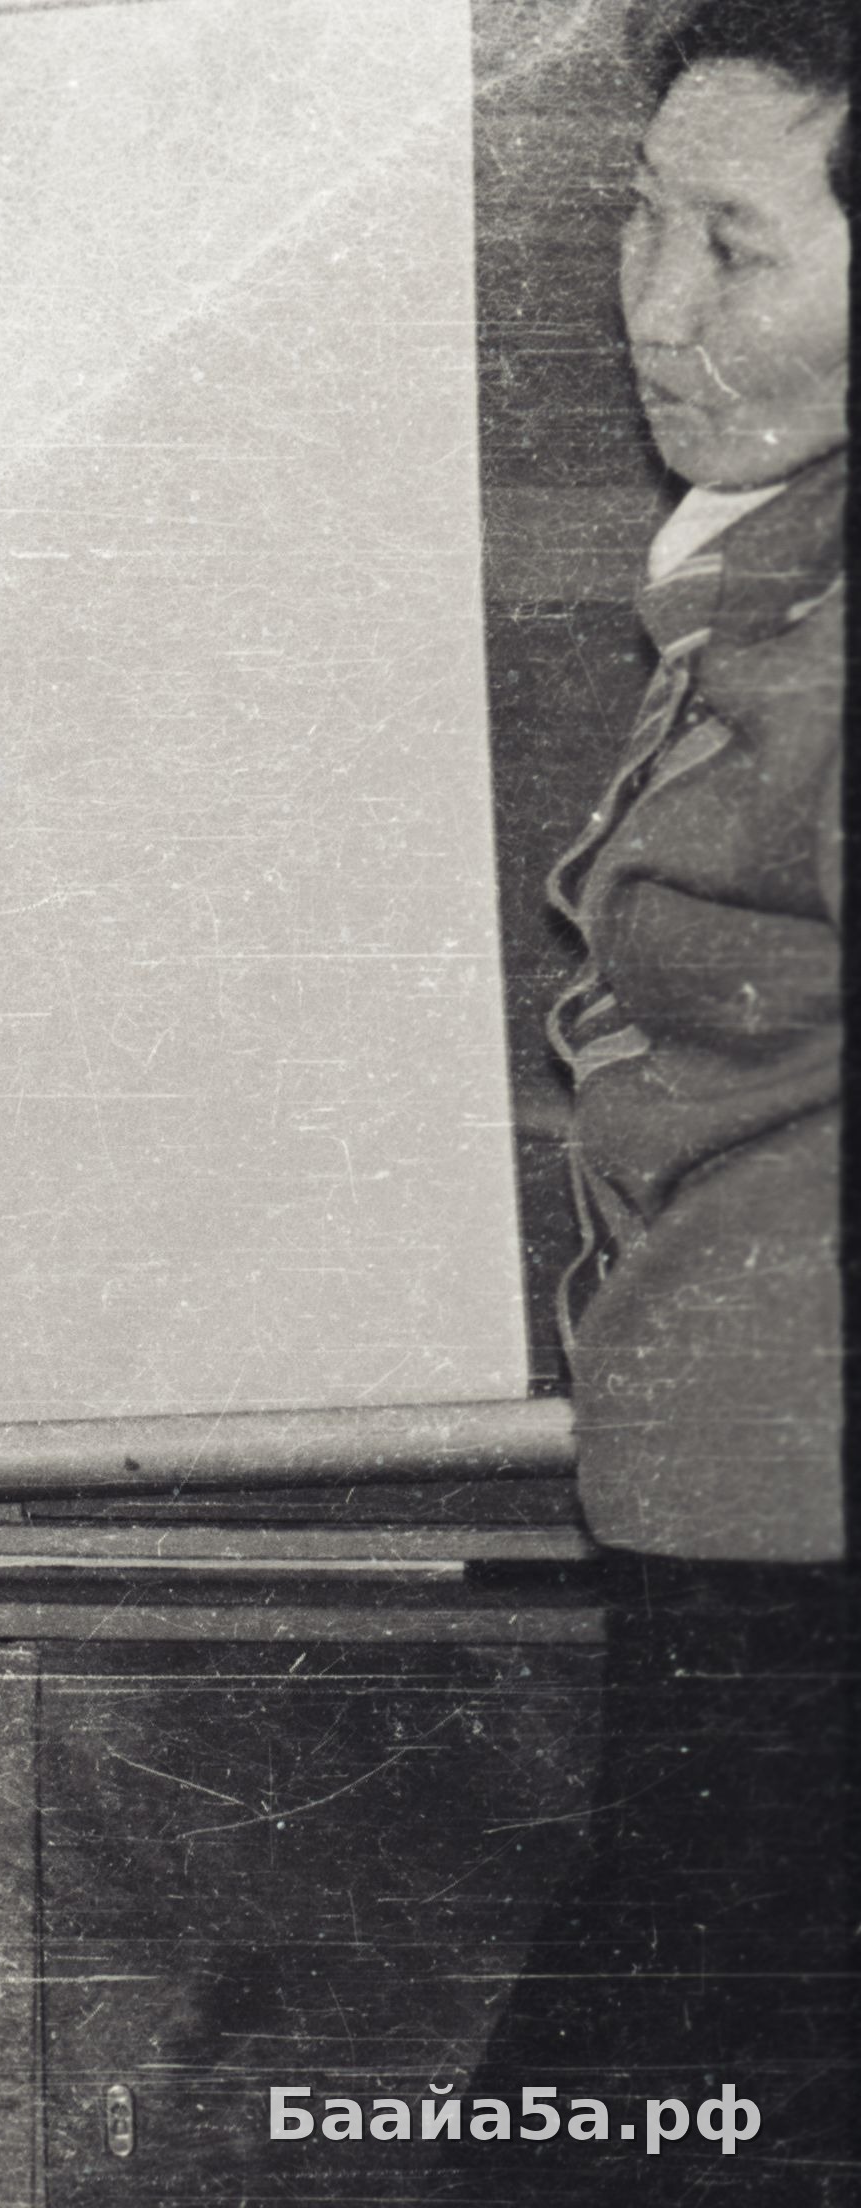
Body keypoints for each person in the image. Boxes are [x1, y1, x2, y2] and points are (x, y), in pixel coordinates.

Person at [465, 2, 848, 2198]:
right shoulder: (763, 565)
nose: (657, 303)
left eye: (738, 247)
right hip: (736, 1510)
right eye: (641, 223)